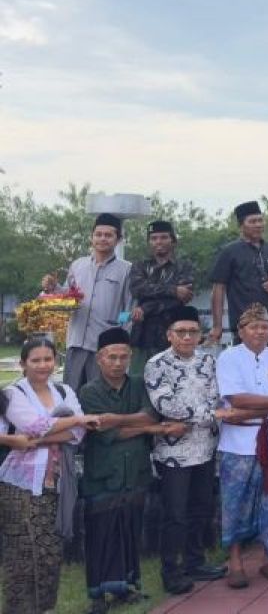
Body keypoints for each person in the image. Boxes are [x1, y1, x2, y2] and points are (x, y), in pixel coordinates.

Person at [0, 337, 95, 614]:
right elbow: (35, 424)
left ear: (56, 361)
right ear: (23, 364)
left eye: (48, 359)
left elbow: (77, 435)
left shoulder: (64, 391)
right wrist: (75, 420)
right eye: (36, 360)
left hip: (58, 484)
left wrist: (42, 435)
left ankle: (44, 609)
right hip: (20, 485)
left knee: (50, 554)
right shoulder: (12, 393)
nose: (43, 365)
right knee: (23, 555)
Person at [215, 304, 268, 588]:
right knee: (235, 502)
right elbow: (237, 399)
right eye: (254, 327)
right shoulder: (228, 357)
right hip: (237, 442)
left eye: (265, 327)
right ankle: (235, 560)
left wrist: (265, 406)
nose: (260, 332)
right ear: (241, 331)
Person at [143, 306, 227, 595]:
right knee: (175, 514)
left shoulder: (208, 361)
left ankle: (195, 561)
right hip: (173, 452)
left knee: (200, 509)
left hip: (205, 447)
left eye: (193, 331)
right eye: (181, 332)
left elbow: (218, 395)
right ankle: (171, 570)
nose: (188, 337)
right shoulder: (157, 364)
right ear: (170, 335)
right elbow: (165, 404)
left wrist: (206, 415)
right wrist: (209, 415)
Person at [79, 329, 163, 612]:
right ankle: (98, 596)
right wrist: (142, 427)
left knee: (129, 531)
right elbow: (104, 431)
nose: (118, 363)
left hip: (134, 472)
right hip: (104, 474)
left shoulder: (139, 385)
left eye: (123, 357)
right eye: (111, 357)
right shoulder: (89, 392)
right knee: (101, 535)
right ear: (100, 359)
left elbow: (150, 414)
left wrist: (120, 419)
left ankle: (126, 589)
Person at [209, 201, 268, 350]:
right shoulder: (230, 252)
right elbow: (218, 288)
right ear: (242, 226)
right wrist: (217, 326)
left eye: (260, 220)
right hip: (245, 324)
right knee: (246, 367)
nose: (258, 225)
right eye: (252, 221)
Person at [64, 212, 133, 390]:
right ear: (92, 237)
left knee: (101, 395)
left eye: (108, 235)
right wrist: (52, 289)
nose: (103, 239)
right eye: (98, 234)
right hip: (76, 342)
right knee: (71, 393)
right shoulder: (77, 266)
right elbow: (67, 298)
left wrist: (119, 330)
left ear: (118, 239)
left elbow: (128, 307)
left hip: (104, 346)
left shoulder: (126, 270)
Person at [129, 219, 195, 376]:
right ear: (149, 242)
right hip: (143, 335)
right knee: (139, 382)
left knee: (174, 381)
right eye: (154, 238)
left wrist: (146, 307)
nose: (158, 242)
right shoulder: (140, 266)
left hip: (174, 335)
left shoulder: (184, 266)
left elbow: (180, 299)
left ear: (173, 240)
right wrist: (172, 289)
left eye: (164, 237)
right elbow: (138, 290)